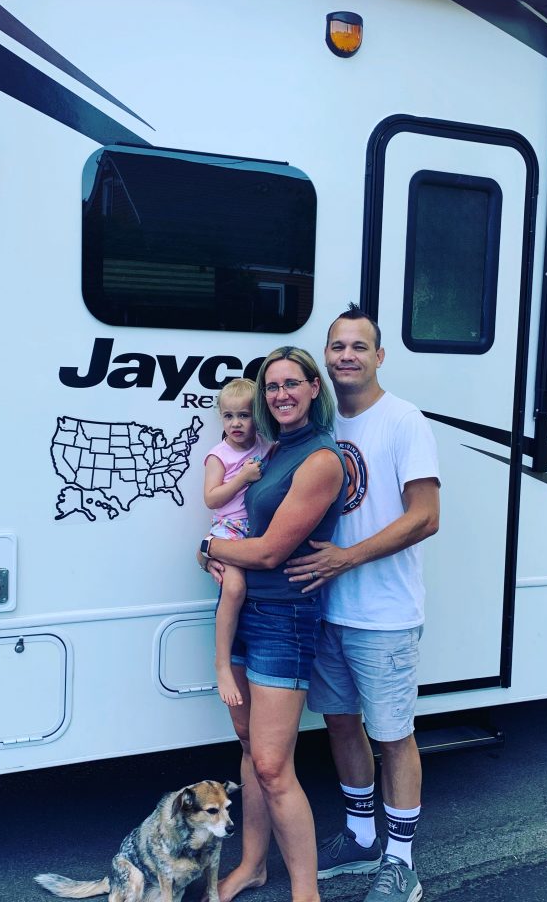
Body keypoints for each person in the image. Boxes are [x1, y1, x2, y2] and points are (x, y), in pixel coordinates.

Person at [284, 305, 441, 902]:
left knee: (393, 736)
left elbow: (426, 517)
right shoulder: (322, 428)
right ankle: (360, 835)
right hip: (327, 612)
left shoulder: (403, 421)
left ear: (379, 357)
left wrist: (345, 560)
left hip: (385, 615)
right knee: (341, 724)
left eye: (359, 346)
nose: (346, 355)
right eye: (336, 346)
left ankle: (402, 864)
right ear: (325, 357)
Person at [198, 346, 347, 902]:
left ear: (314, 388)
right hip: (242, 613)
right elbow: (240, 534)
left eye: (291, 384)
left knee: (272, 764)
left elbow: (268, 554)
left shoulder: (321, 458)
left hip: (283, 616)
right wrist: (215, 549)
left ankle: (305, 892)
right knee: (247, 744)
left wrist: (209, 545)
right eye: (270, 387)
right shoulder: (274, 448)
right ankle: (254, 866)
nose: (280, 394)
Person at [202, 378, 270, 707]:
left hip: (254, 530)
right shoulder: (219, 455)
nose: (236, 423)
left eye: (244, 415)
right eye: (228, 416)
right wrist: (242, 477)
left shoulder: (265, 446)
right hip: (228, 529)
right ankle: (222, 663)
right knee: (233, 589)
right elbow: (212, 499)